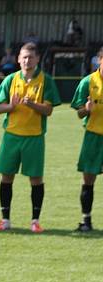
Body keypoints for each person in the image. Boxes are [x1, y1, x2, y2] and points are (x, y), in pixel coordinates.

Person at [0, 43, 61, 233]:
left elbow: (49, 110)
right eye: (23, 57)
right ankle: (5, 219)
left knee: (36, 179)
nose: (26, 61)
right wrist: (11, 107)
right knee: (7, 177)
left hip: (34, 137)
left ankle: (35, 221)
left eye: (30, 57)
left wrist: (32, 104)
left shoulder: (45, 80)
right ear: (18, 59)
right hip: (11, 136)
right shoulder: (10, 80)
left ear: (37, 59)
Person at [70, 57, 103, 231]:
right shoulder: (87, 82)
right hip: (93, 136)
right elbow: (79, 113)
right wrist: (87, 109)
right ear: (100, 60)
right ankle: (86, 221)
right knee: (88, 179)